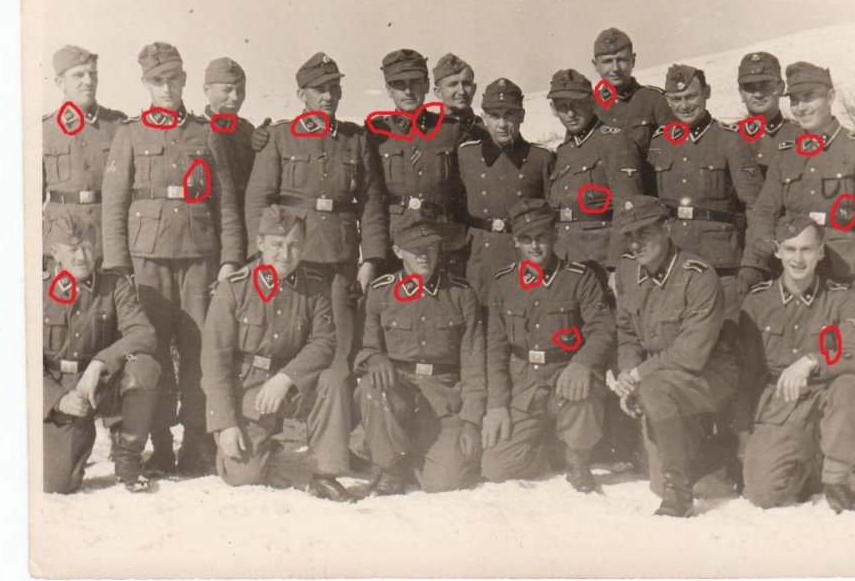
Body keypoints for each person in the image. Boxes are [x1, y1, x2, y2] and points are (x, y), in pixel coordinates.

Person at [742, 61, 855, 492]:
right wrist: (760, 255)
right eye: (795, 100)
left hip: (846, 279)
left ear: (830, 97)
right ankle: (808, 448)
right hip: (798, 275)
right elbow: (764, 211)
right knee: (800, 357)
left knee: (854, 367)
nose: (801, 107)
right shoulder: (786, 152)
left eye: (809, 97)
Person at [101, 41, 244, 476]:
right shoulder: (129, 134)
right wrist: (119, 269)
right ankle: (161, 444)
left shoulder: (206, 132)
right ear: (146, 83)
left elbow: (225, 203)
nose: (166, 88)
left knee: (201, 352)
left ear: (184, 80)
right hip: (147, 262)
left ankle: (196, 443)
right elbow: (114, 207)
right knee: (155, 353)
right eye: (157, 81)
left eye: (173, 79)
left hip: (200, 258)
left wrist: (230, 260)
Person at [200, 206, 357, 501]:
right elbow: (214, 361)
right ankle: (252, 442)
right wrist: (226, 424)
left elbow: (324, 342)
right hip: (249, 385)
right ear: (260, 243)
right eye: (277, 244)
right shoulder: (235, 288)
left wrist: (286, 377)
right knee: (244, 476)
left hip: (293, 383)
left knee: (332, 381)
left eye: (294, 245)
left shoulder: (314, 286)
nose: (285, 254)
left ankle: (326, 474)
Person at [245, 53, 388, 370]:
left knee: (340, 338)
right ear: (301, 95)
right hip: (293, 255)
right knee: (293, 332)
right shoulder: (280, 136)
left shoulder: (355, 138)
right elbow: (258, 199)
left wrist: (371, 260)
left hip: (340, 255)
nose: (328, 97)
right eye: (319, 89)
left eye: (334, 88)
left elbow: (371, 202)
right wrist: (262, 256)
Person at [612, 196, 738, 517]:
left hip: (708, 375)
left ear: (666, 228)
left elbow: (690, 354)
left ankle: (678, 493)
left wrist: (639, 376)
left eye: (644, 233)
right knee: (657, 478)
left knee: (656, 391)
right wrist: (627, 374)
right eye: (630, 236)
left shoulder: (698, 275)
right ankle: (712, 447)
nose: (636, 244)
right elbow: (627, 332)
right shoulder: (628, 271)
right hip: (659, 378)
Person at [738, 214, 855, 513]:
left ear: (820, 252)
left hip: (827, 398)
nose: (797, 259)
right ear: (777, 251)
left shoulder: (842, 299)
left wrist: (813, 360)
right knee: (762, 494)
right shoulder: (757, 302)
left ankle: (837, 479)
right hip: (780, 405)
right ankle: (813, 460)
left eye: (806, 249)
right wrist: (743, 433)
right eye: (790, 249)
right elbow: (746, 374)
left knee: (849, 384)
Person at [481, 199, 613, 493]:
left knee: (584, 391)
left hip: (566, 374)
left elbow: (602, 329)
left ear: (554, 235)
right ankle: (551, 450)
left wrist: (582, 363)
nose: (534, 246)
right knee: (495, 468)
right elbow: (496, 349)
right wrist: (497, 405)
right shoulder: (503, 283)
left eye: (541, 237)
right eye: (526, 239)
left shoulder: (579, 278)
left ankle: (577, 460)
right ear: (516, 242)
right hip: (525, 385)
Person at [353, 216, 485, 495]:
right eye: (416, 249)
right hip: (398, 390)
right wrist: (374, 358)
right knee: (372, 388)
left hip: (441, 397)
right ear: (398, 252)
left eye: (432, 247)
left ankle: (405, 452)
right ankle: (390, 469)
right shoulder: (381, 291)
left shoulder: (461, 294)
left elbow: (473, 362)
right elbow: (365, 345)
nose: (425, 255)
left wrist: (472, 420)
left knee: (445, 482)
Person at [42, 214, 160, 493]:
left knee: (143, 365)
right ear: (55, 253)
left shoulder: (114, 284)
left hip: (103, 384)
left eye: (87, 248)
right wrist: (58, 400)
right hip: (61, 390)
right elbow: (21, 360)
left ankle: (127, 457)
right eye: (73, 249)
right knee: (57, 483)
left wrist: (99, 364)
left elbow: (143, 333)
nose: (82, 257)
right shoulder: (38, 290)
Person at [648, 63, 764, 313]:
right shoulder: (659, 142)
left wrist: (752, 263)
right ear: (667, 101)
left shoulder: (730, 139)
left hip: (720, 263)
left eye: (691, 96)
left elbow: (756, 207)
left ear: (707, 92)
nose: (684, 105)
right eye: (676, 99)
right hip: (672, 260)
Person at [367, 49, 468, 274]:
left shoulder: (450, 130)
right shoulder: (376, 134)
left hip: (441, 239)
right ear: (388, 90)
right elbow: (372, 199)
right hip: (396, 242)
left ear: (426, 84)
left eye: (415, 82)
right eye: (399, 85)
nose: (408, 91)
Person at [457, 77, 554, 304]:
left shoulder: (540, 158)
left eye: (509, 114)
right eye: (494, 116)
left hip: (522, 254)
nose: (502, 124)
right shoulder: (466, 155)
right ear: (484, 118)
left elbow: (551, 215)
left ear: (522, 115)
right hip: (478, 256)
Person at [545, 68, 642, 271]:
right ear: (553, 110)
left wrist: (617, 266)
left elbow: (628, 208)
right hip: (565, 257)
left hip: (600, 259)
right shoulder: (563, 151)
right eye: (563, 107)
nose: (570, 113)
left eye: (577, 104)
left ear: (592, 102)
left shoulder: (614, 141)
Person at [42, 45, 126, 262]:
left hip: (106, 238)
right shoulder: (45, 130)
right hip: (61, 241)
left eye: (92, 74)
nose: (88, 81)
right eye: (78, 75)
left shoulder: (117, 125)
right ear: (60, 82)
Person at [590, 27, 675, 156]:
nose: (616, 68)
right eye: (607, 61)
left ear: (633, 60)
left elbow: (676, 152)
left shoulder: (656, 101)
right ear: (595, 65)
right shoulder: (588, 106)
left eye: (622, 60)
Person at [201, 57, 259, 214]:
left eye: (240, 90)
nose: (235, 97)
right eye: (227, 90)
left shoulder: (247, 131)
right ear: (207, 90)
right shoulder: (195, 130)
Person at [735, 52, 802, 179]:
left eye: (765, 86)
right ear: (741, 94)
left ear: (781, 88)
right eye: (750, 88)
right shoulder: (728, 138)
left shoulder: (801, 135)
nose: (758, 94)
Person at [433, 53, 486, 142]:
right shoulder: (430, 130)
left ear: (474, 89)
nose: (461, 91)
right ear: (438, 92)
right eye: (453, 85)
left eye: (466, 84)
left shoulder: (487, 131)